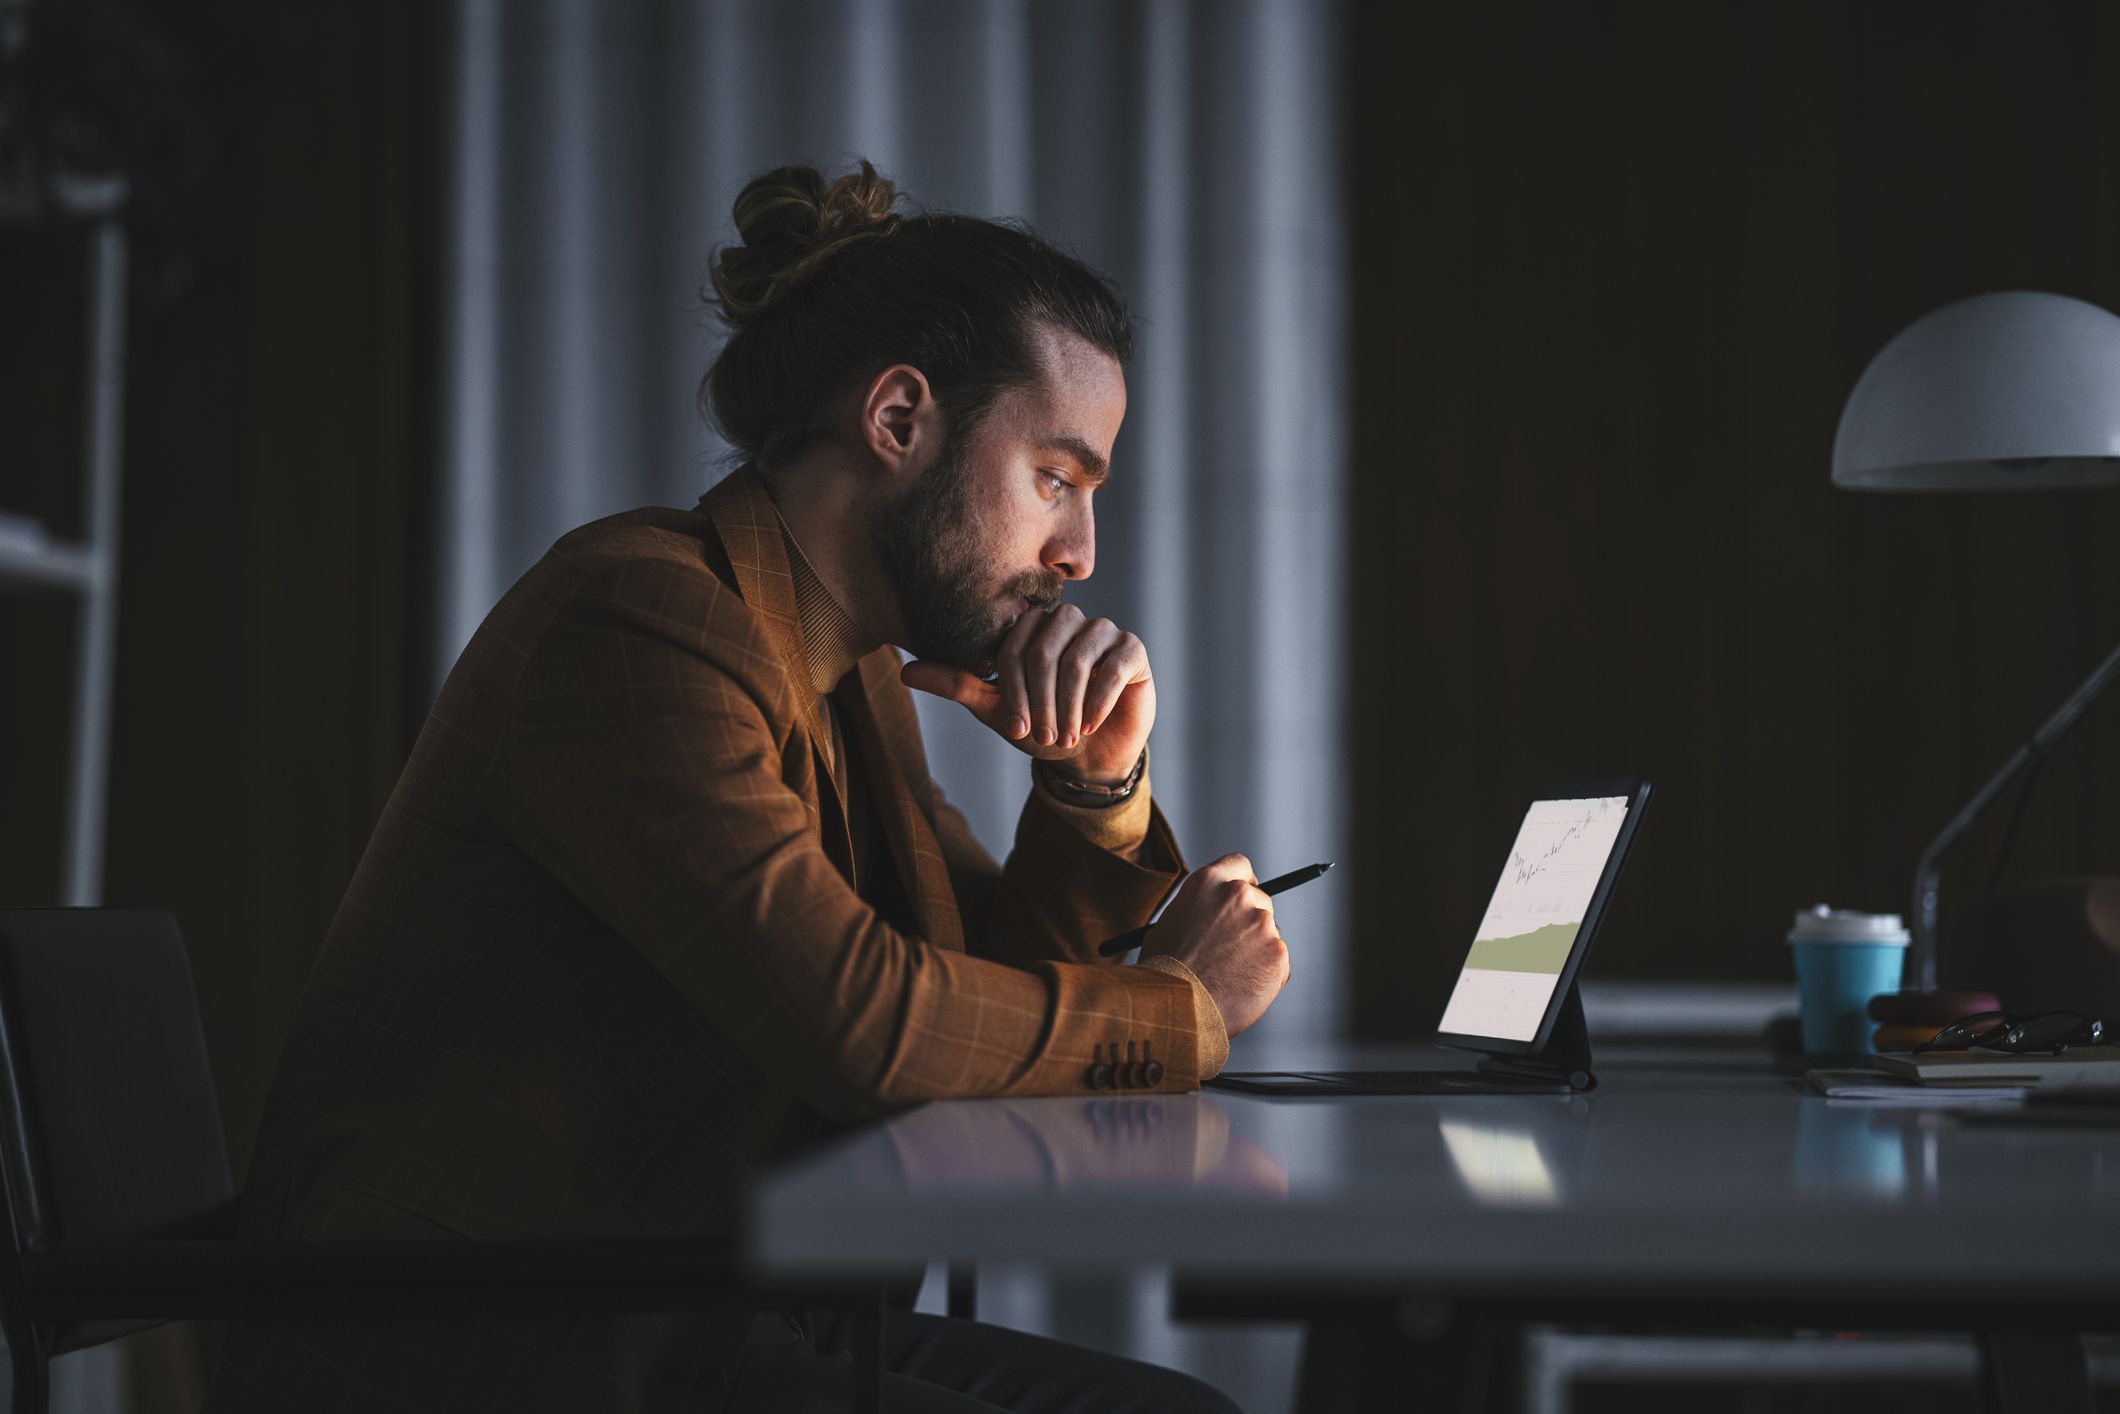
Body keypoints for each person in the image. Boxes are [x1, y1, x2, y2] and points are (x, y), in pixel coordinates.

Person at [204, 160, 1289, 1414]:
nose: (1080, 553)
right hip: (499, 1352)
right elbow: (874, 1027)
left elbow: (970, 967)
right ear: (897, 420)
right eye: (1056, 478)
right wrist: (1179, 1006)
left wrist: (1091, 791)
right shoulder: (638, 619)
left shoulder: (845, 675)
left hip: (689, 1321)